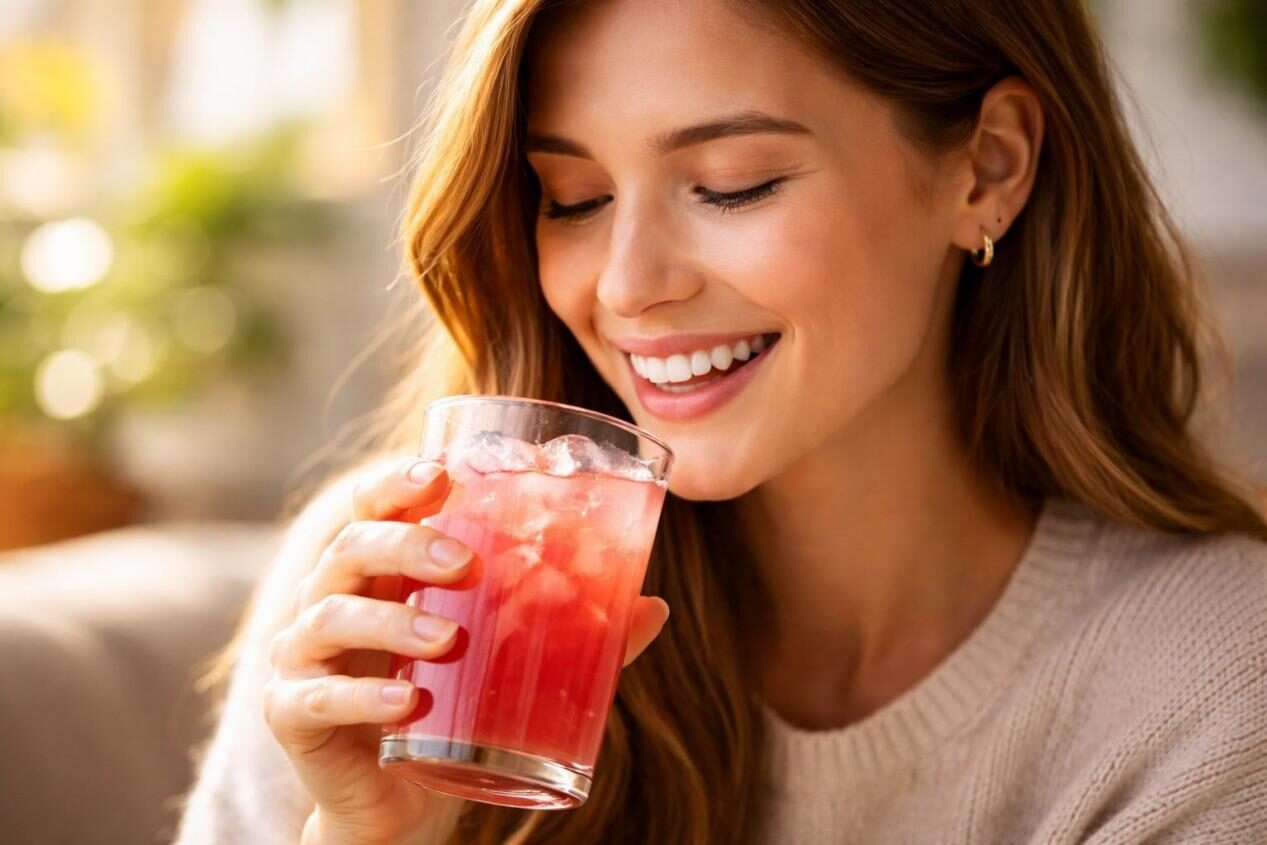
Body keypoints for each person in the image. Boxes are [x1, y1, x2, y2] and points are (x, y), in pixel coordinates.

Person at [174, 0, 1267, 843]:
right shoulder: (398, 594)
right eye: (574, 197)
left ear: (988, 167)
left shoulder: (1210, 682)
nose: (628, 282)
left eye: (734, 184)